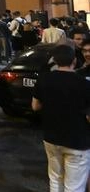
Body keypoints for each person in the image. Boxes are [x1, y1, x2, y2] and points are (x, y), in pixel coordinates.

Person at [32, 44, 90, 192]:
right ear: (75, 61)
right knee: (74, 185)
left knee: (55, 178)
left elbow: (35, 106)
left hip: (51, 137)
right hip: (77, 140)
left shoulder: (44, 79)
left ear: (55, 61)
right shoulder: (84, 84)